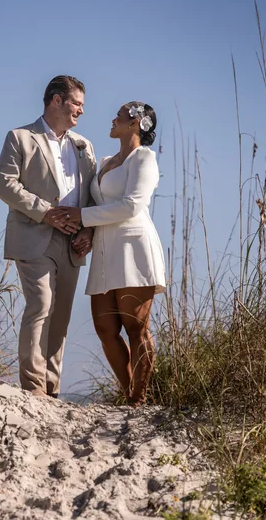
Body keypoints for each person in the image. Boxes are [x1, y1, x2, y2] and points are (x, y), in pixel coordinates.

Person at [0, 75, 97, 399]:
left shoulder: (84, 146)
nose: (81, 111)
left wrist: (90, 231)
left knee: (62, 315)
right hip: (33, 233)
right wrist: (45, 211)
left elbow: (93, 195)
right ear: (56, 100)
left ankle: (52, 388)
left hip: (72, 242)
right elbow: (5, 185)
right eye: (76, 104)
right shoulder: (20, 137)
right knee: (41, 303)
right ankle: (33, 386)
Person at [59, 102, 165, 406]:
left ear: (135, 124)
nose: (113, 118)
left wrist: (82, 217)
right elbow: (98, 203)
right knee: (105, 327)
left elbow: (131, 206)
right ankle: (128, 389)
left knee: (135, 326)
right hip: (104, 250)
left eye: (120, 115)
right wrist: (88, 230)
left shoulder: (144, 159)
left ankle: (138, 397)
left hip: (134, 248)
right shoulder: (106, 160)